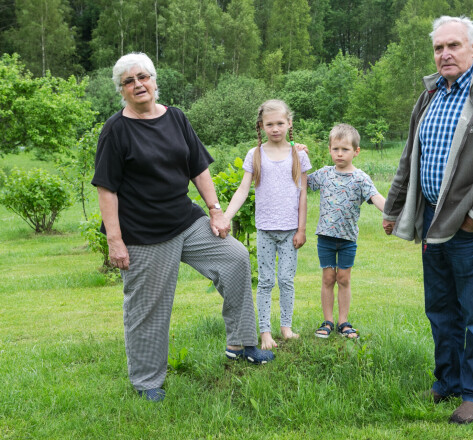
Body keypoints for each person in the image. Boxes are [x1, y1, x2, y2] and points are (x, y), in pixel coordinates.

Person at [92, 52, 273, 403]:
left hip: (184, 220)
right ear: (122, 91)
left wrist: (216, 210)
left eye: (143, 77)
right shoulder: (116, 130)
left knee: (234, 257)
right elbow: (106, 188)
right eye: (129, 82)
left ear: (155, 81)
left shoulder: (175, 117)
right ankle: (146, 382)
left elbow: (198, 167)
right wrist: (115, 240)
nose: (138, 85)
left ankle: (241, 343)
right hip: (143, 233)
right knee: (148, 307)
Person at [382, 16, 473, 424]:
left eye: (454, 46)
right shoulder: (429, 97)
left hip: (469, 229)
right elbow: (410, 159)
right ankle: (447, 381)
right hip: (430, 223)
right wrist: (394, 209)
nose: (445, 53)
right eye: (439, 47)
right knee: (440, 309)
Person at [221, 100, 311, 350]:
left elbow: (303, 194)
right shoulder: (255, 155)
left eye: (280, 123)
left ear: (289, 123)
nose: (275, 128)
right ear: (261, 126)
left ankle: (286, 328)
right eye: (269, 124)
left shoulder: (299, 155)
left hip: (291, 230)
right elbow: (242, 189)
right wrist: (226, 216)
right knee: (265, 281)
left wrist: (302, 229)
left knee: (286, 280)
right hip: (265, 230)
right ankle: (265, 333)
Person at [308, 124, 386, 340]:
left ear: (356, 151)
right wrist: (298, 158)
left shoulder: (361, 178)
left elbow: (375, 197)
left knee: (343, 278)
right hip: (325, 237)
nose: (339, 154)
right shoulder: (324, 174)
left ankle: (343, 321)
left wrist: (391, 212)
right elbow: (301, 181)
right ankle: (328, 321)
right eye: (335, 149)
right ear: (330, 149)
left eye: (345, 149)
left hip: (348, 239)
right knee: (327, 278)